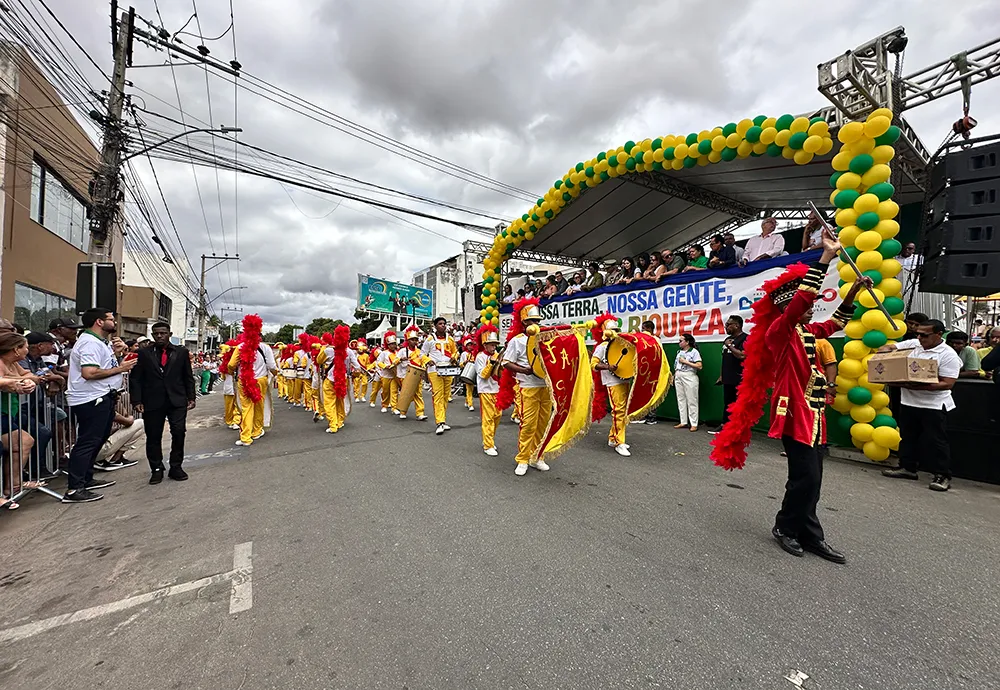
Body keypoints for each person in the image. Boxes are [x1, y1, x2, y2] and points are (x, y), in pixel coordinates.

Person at [710, 230, 869, 564]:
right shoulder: (779, 332)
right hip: (794, 413)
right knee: (805, 478)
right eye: (804, 305)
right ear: (788, 307)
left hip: (814, 415)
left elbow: (837, 321)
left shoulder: (808, 331)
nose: (812, 309)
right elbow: (801, 303)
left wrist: (853, 290)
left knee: (815, 480)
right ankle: (785, 528)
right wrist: (824, 258)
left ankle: (810, 535)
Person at [62, 308, 136, 503]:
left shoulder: (99, 343)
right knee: (87, 441)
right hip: (90, 399)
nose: (115, 322)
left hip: (102, 396)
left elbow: (102, 367)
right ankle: (74, 488)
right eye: (111, 319)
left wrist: (117, 357)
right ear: (99, 322)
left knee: (98, 438)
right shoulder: (89, 343)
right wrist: (121, 368)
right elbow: (89, 373)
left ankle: (86, 478)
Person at [880, 319, 962, 491]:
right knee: (907, 437)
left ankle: (942, 475)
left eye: (924, 335)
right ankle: (908, 467)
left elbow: (948, 383)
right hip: (909, 401)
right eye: (918, 333)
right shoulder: (914, 344)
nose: (920, 338)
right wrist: (885, 354)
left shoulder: (947, 354)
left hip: (934, 404)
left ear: (938, 334)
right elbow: (890, 348)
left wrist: (920, 385)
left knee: (936, 441)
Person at [131, 322, 196, 483]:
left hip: (177, 400)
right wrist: (137, 400)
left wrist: (191, 397)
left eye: (163, 333)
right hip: (152, 401)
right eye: (156, 333)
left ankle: (176, 466)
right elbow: (136, 379)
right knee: (153, 436)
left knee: (179, 432)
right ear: (152, 335)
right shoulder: (144, 353)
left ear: (170, 334)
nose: (160, 336)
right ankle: (156, 468)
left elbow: (188, 376)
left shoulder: (181, 352)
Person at [500, 298, 552, 476]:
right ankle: (522, 459)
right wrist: (525, 370)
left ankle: (537, 457)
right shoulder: (517, 341)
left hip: (545, 387)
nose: (536, 323)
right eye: (532, 321)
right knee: (528, 424)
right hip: (527, 387)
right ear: (524, 322)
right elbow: (506, 362)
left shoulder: (546, 338)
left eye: (538, 320)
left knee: (543, 425)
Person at [229, 314, 278, 447]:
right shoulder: (266, 348)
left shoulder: (239, 347)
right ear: (259, 331)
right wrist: (276, 374)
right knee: (259, 405)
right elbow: (272, 367)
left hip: (244, 380)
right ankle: (256, 431)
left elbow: (231, 365)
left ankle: (246, 437)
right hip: (261, 380)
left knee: (246, 407)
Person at [591, 315, 630, 456]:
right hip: (612, 381)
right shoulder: (602, 347)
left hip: (624, 379)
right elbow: (593, 364)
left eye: (616, 330)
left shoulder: (621, 344)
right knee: (618, 410)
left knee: (622, 411)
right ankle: (619, 442)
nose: (615, 332)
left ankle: (613, 438)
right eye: (612, 330)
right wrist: (608, 366)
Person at [422, 317, 459, 435]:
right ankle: (440, 422)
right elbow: (422, 353)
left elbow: (456, 352)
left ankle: (442, 419)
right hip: (434, 370)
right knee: (437, 395)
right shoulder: (429, 339)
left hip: (448, 369)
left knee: (446, 395)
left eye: (444, 323)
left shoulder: (451, 339)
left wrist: (455, 357)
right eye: (440, 324)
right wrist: (428, 360)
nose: (443, 326)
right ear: (435, 326)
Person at [710, 316, 747, 435]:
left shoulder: (745, 339)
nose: (726, 327)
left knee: (739, 405)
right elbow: (725, 359)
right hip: (728, 378)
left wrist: (730, 346)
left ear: (737, 325)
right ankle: (724, 425)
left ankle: (738, 429)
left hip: (740, 379)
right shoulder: (728, 339)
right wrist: (722, 375)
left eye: (729, 324)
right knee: (728, 403)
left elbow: (742, 355)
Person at [320, 325, 356, 433]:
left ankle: (333, 425)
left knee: (329, 403)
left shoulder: (328, 351)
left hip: (330, 380)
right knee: (340, 401)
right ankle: (340, 421)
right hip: (343, 380)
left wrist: (323, 348)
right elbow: (357, 366)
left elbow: (318, 360)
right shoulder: (349, 352)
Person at [474, 325, 502, 456]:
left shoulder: (497, 355)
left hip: (497, 389)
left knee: (498, 415)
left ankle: (489, 438)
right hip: (485, 390)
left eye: (495, 345)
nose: (494, 347)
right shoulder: (479, 357)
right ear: (485, 345)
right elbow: (483, 375)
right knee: (488, 417)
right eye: (491, 345)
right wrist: (491, 363)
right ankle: (488, 444)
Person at [395, 326, 428, 422]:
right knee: (406, 393)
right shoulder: (402, 351)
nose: (414, 341)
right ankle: (403, 411)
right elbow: (395, 361)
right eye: (412, 340)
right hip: (406, 375)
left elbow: (422, 362)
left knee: (418, 394)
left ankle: (420, 413)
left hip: (417, 376)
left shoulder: (420, 352)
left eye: (416, 340)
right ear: (408, 341)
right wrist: (401, 359)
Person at [671, 333, 702, 431]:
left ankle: (694, 423)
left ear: (687, 342)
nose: (679, 343)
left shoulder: (694, 352)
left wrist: (686, 362)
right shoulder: (679, 352)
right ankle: (683, 421)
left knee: (692, 400)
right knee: (681, 399)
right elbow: (677, 365)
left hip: (689, 376)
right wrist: (674, 375)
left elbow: (699, 366)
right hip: (679, 376)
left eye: (681, 341)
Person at [634, 320, 659, 425]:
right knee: (642, 393)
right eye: (642, 329)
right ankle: (642, 415)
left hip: (653, 370)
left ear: (649, 329)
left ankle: (652, 417)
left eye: (644, 328)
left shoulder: (656, 339)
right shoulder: (641, 339)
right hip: (642, 370)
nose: (643, 330)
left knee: (652, 393)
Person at [375, 331, 401, 413]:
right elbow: (379, 362)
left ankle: (394, 407)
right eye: (391, 344)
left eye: (394, 343)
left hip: (394, 375)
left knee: (394, 391)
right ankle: (384, 405)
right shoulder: (384, 353)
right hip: (385, 375)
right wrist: (385, 366)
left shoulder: (398, 353)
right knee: (385, 391)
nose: (393, 345)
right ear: (388, 345)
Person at [219, 340, 241, 430]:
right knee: (233, 406)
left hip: (233, 387)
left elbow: (222, 377)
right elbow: (223, 376)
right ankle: (233, 421)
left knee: (234, 406)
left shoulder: (234, 365)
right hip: (230, 388)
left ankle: (234, 421)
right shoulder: (230, 365)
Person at [459, 337, 476, 411]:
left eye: (471, 345)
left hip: (474, 372)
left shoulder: (475, 353)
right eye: (468, 345)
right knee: (469, 388)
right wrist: (464, 362)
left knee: (471, 389)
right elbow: (460, 364)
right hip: (467, 372)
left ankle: (467, 400)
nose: (470, 347)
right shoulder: (464, 354)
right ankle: (470, 404)